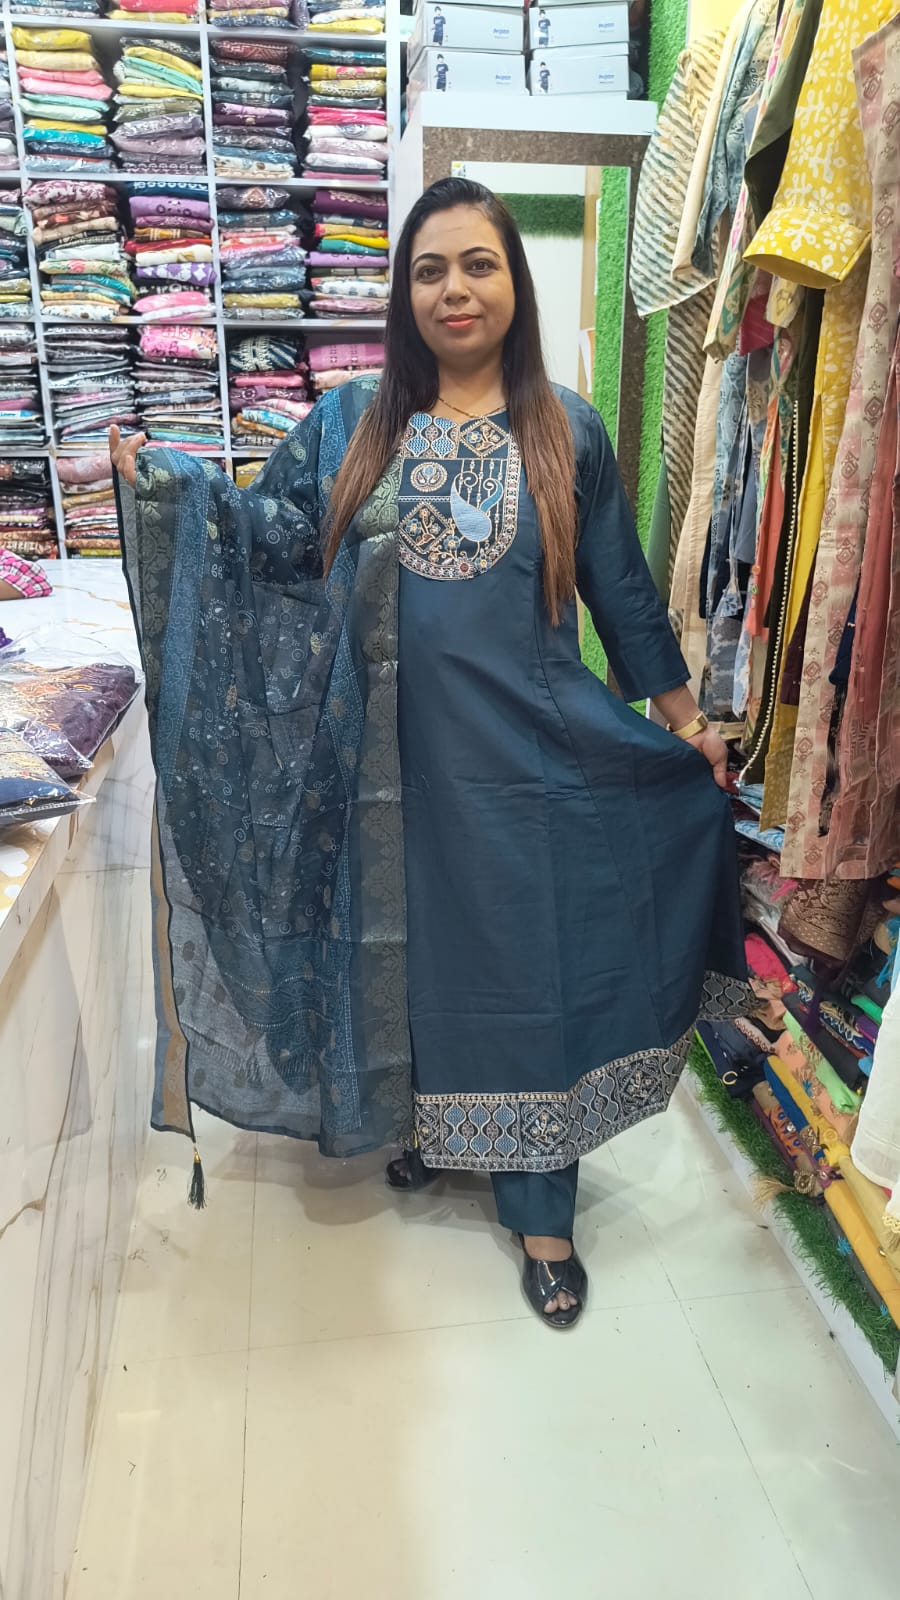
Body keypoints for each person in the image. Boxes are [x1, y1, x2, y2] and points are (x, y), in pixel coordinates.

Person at [110, 178, 748, 1329]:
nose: (455, 289)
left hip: (529, 763)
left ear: (516, 283)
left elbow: (623, 594)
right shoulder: (356, 421)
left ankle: (540, 1210)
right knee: (407, 965)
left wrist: (687, 723)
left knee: (529, 974)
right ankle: (428, 1129)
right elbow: (271, 540)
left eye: (478, 264)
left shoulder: (566, 428)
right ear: (405, 295)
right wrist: (170, 488)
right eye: (430, 270)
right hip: (382, 769)